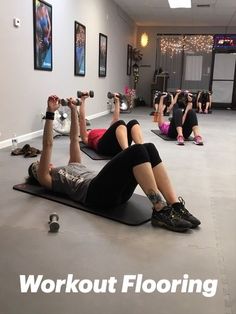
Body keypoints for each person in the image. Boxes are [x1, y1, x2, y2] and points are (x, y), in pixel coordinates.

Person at [28, 95, 201, 232]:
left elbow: (74, 139)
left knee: (148, 147)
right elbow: (47, 145)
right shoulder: (47, 179)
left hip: (115, 192)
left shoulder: (71, 165)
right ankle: (160, 210)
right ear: (39, 173)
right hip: (95, 195)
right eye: (38, 165)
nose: (44, 164)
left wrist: (74, 109)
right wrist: (50, 113)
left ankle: (175, 205)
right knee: (136, 151)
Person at [79, 93, 143, 156]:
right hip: (104, 147)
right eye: (87, 130)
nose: (88, 130)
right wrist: (82, 100)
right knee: (120, 123)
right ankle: (127, 153)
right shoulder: (86, 137)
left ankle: (142, 149)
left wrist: (117, 101)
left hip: (119, 144)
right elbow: (82, 119)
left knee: (133, 123)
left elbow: (115, 119)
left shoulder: (107, 132)